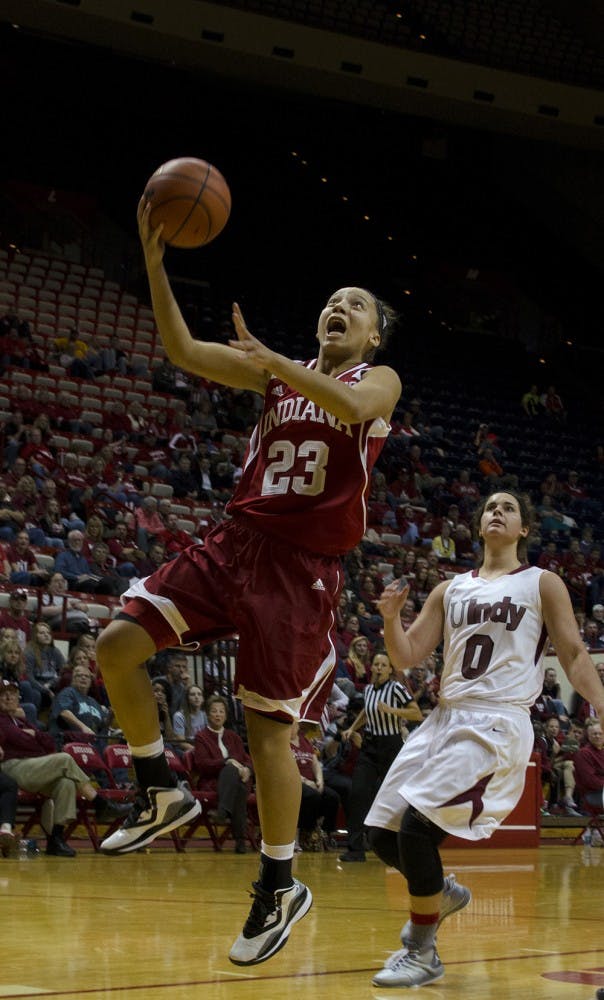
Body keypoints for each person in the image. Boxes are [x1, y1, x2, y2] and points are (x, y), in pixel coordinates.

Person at [94, 199, 402, 968]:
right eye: (332, 301)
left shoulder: (378, 380)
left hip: (300, 574)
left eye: (355, 306)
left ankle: (279, 883)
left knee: (269, 731)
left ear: (372, 335)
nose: (339, 308)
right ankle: (160, 786)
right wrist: (157, 264)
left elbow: (355, 405)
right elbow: (181, 348)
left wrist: (278, 362)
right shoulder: (276, 377)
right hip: (236, 543)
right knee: (116, 644)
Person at [364, 491, 604, 989]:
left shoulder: (542, 583)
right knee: (381, 836)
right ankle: (442, 894)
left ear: (523, 530)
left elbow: (575, 654)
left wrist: (602, 704)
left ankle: (421, 950)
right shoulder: (450, 590)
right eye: (490, 507)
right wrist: (390, 619)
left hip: (495, 723)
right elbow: (407, 655)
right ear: (477, 526)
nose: (497, 511)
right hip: (444, 718)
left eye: (509, 508)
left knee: (415, 831)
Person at [0, 678, 129, 856]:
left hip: (34, 768)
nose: (8, 698)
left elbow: (49, 742)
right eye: (3, 695)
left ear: (17, 698)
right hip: (11, 768)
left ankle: (56, 839)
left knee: (66, 783)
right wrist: (32, 738)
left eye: (12, 694)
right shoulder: (2, 719)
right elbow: (18, 739)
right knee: (65, 759)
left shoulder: (23, 721)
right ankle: (100, 803)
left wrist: (33, 735)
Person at [338, 650, 422, 862]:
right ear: (371, 667)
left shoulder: (396, 688)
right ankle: (355, 849)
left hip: (391, 746)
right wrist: (352, 728)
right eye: (376, 664)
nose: (379, 668)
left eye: (383, 665)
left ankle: (397, 847)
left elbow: (416, 713)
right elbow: (367, 712)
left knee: (393, 798)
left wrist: (392, 711)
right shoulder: (367, 690)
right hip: (369, 746)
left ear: (390, 669)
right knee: (358, 793)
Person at [193, 695, 253, 854]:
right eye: (214, 711)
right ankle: (240, 840)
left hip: (240, 779)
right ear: (208, 714)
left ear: (226, 715)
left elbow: (247, 760)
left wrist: (247, 768)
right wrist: (226, 762)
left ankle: (223, 810)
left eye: (221, 711)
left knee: (237, 779)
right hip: (213, 780)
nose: (218, 715)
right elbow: (202, 764)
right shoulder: (201, 737)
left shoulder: (234, 736)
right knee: (234, 776)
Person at [290, 719, 340, 851]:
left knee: (332, 797)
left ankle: (326, 833)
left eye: (295, 724)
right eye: (290, 725)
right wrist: (306, 782)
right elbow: (287, 769)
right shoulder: (282, 744)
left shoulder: (304, 740)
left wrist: (319, 780)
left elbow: (315, 763)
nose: (293, 728)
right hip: (293, 783)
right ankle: (306, 830)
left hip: (312, 782)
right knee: (311, 796)